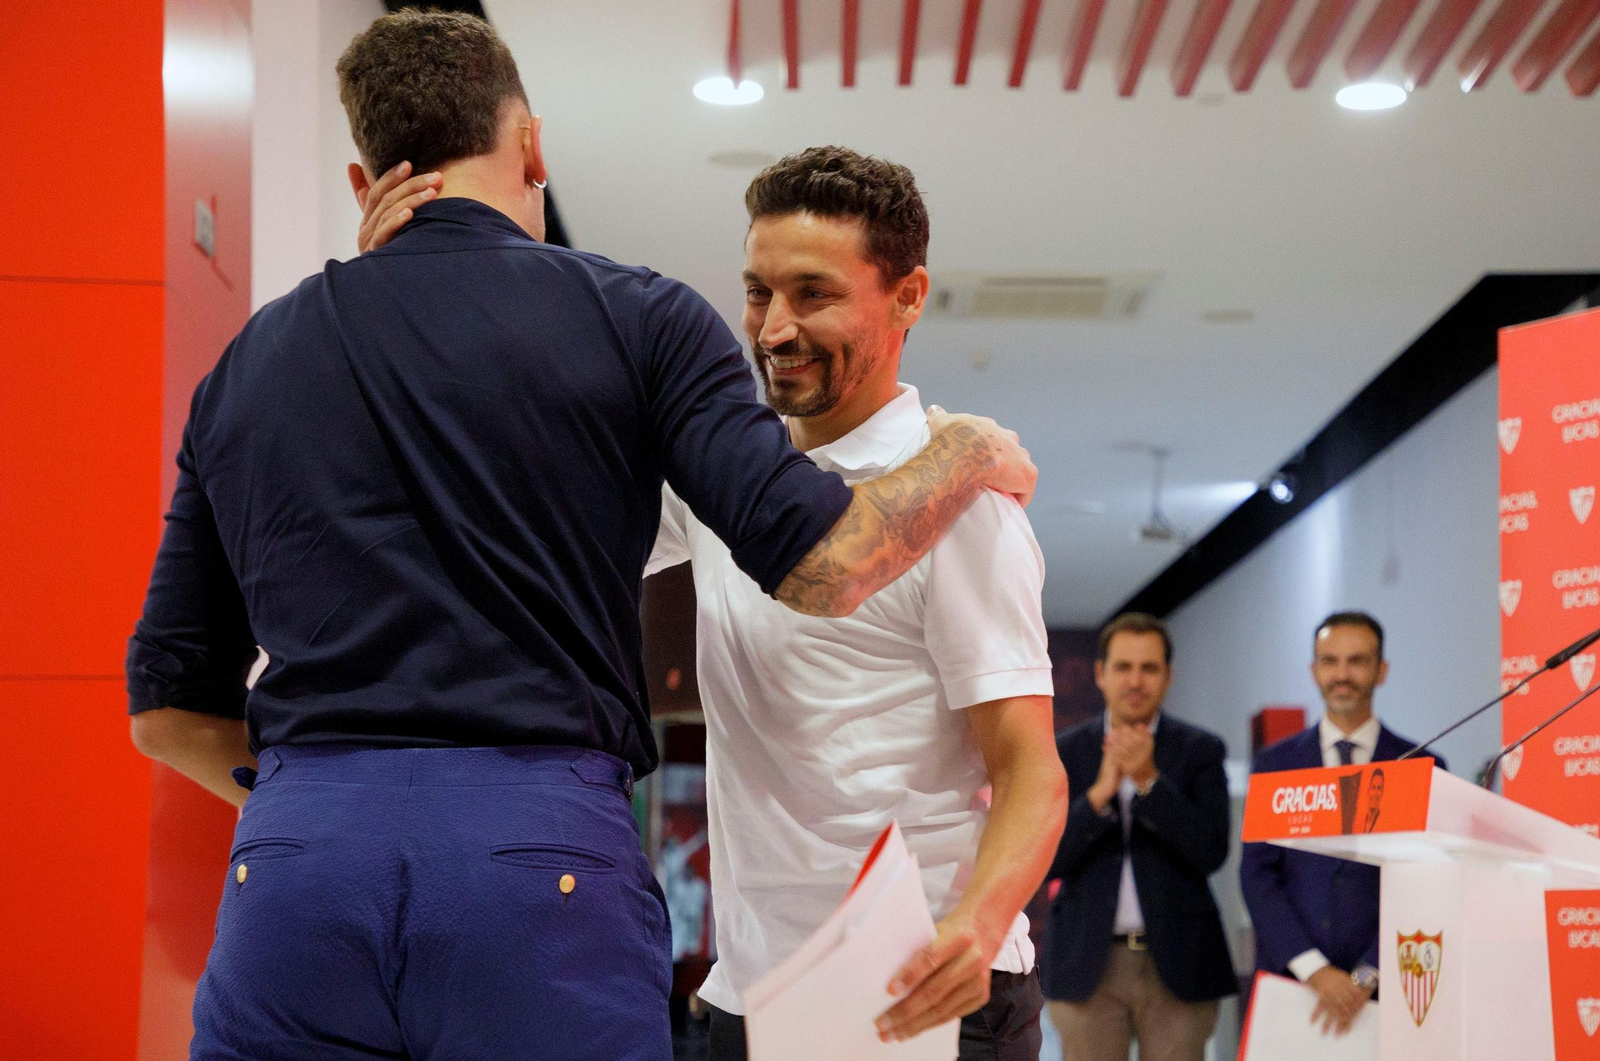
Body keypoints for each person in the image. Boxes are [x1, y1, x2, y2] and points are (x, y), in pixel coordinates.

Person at [124, 14, 1036, 1061]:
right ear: (534, 147)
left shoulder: (249, 362)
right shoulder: (635, 319)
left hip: (295, 856)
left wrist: (325, 799)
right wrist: (967, 450)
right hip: (536, 852)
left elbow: (165, 710)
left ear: (361, 170)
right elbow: (826, 563)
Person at [364, 144, 1065, 1057]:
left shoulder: (962, 509)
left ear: (908, 296)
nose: (772, 328)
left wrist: (979, 923)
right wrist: (401, 293)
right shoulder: (722, 481)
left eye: (812, 293)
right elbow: (509, 501)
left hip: (929, 989)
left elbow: (1029, 770)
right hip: (749, 997)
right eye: (757, 292)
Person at [1240, 611, 1446, 1037]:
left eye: (1357, 661)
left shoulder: (1422, 766)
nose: (1342, 674)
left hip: (1390, 991)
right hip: (1292, 983)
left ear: (1381, 670)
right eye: (1329, 661)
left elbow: (1427, 883)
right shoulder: (1276, 765)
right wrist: (1315, 971)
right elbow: (1258, 875)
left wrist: (1369, 973)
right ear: (1314, 670)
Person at [1042, 613, 1236, 1061]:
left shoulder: (1201, 750)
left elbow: (1211, 851)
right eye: (1123, 667)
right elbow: (1046, 857)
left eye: (1149, 668)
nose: (1136, 680)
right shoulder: (1066, 751)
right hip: (1086, 961)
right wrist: (1098, 796)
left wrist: (1149, 782)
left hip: (1180, 962)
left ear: (1168, 677)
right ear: (1100, 674)